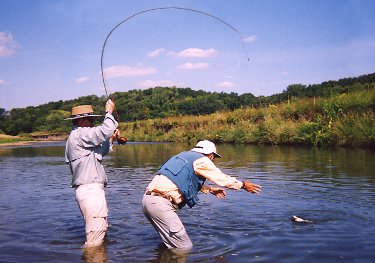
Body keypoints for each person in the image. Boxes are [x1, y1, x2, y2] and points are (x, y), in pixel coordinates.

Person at [142, 140, 262, 251]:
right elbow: (222, 179)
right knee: (184, 248)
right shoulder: (202, 160)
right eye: (213, 158)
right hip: (160, 205)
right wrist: (243, 184)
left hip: (148, 201)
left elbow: (181, 181)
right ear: (210, 155)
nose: (213, 160)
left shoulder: (180, 157)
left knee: (170, 244)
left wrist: (209, 189)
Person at [65, 99, 119, 248]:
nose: (92, 123)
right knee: (95, 241)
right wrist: (108, 112)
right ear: (82, 120)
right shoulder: (80, 134)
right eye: (90, 120)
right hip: (90, 191)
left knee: (99, 234)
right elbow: (105, 130)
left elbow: (100, 152)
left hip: (88, 191)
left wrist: (111, 140)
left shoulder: (77, 138)